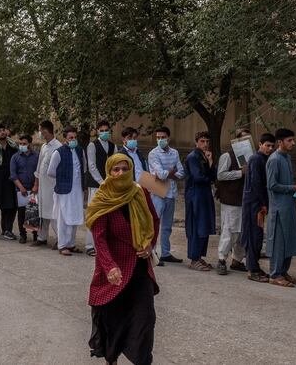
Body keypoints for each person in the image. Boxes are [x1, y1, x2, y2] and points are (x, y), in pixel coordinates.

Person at [86, 154, 159, 365]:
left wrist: (149, 243)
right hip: (114, 270)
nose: (120, 174)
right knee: (113, 320)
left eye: (124, 169)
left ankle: (142, 360)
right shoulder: (103, 198)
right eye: (115, 170)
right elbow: (99, 239)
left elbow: (153, 219)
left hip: (139, 267)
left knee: (146, 319)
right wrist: (110, 267)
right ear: (109, 173)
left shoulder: (139, 192)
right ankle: (112, 358)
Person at [266, 128, 296, 287]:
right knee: (278, 242)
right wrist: (292, 188)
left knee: (289, 239)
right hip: (278, 207)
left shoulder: (287, 157)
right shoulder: (274, 159)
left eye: (293, 140)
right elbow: (272, 185)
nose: (293, 143)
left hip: (289, 205)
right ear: (280, 142)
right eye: (289, 140)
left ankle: (283, 271)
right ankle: (275, 274)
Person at [214, 128, 251, 275]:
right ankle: (221, 259)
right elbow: (221, 175)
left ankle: (237, 259)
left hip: (245, 198)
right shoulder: (227, 156)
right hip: (231, 199)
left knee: (243, 231)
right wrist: (240, 173)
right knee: (229, 230)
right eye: (243, 139)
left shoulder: (250, 156)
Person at [147, 126, 185, 266]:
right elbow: (161, 174)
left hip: (171, 192)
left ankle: (166, 253)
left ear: (168, 138)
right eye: (158, 138)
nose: (160, 140)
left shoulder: (174, 153)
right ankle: (152, 253)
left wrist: (167, 173)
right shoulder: (153, 154)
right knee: (154, 224)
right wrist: (171, 172)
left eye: (163, 137)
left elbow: (181, 172)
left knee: (167, 225)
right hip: (157, 191)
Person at [240, 133, 275, 283]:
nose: (270, 148)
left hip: (259, 203)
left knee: (258, 236)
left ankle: (254, 266)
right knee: (252, 236)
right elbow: (256, 183)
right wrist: (263, 203)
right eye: (267, 145)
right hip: (253, 203)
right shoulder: (255, 159)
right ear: (260, 144)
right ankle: (251, 269)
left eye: (272, 146)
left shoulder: (266, 159)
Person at [47, 126, 85, 255]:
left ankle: (71, 244)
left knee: (74, 217)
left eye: (75, 137)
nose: (73, 140)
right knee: (63, 217)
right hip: (64, 190)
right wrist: (64, 177)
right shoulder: (58, 152)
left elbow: (83, 169)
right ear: (65, 139)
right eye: (71, 138)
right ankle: (62, 245)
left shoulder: (80, 151)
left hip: (77, 189)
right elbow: (51, 172)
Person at [184, 131, 217, 271]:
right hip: (195, 195)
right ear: (196, 142)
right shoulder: (193, 157)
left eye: (207, 141)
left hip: (204, 194)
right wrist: (209, 177)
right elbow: (198, 177)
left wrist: (210, 162)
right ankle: (193, 258)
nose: (205, 144)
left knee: (204, 225)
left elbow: (213, 175)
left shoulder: (205, 156)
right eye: (202, 141)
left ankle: (199, 256)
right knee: (196, 226)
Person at [84, 120, 116, 255]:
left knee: (107, 214)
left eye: (106, 130)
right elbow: (91, 166)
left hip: (109, 185)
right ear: (97, 131)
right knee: (93, 214)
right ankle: (90, 245)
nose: (104, 132)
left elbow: (114, 164)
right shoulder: (92, 145)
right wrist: (101, 181)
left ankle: (103, 244)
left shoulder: (113, 146)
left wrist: (111, 180)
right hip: (96, 185)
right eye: (101, 130)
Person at [32, 120, 62, 247]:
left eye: (40, 130)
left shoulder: (58, 147)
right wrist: (36, 183)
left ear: (45, 130)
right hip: (43, 186)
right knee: (42, 212)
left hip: (53, 186)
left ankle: (61, 239)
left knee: (52, 213)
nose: (39, 133)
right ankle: (42, 237)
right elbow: (39, 167)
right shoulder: (44, 146)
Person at [10, 134, 39, 243]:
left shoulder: (36, 156)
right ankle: (23, 235)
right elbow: (13, 175)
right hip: (20, 190)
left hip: (34, 189)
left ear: (30, 144)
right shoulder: (15, 157)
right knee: (21, 213)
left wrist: (35, 186)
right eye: (20, 144)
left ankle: (36, 235)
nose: (22, 145)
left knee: (34, 212)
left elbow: (39, 172)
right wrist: (21, 187)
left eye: (24, 144)